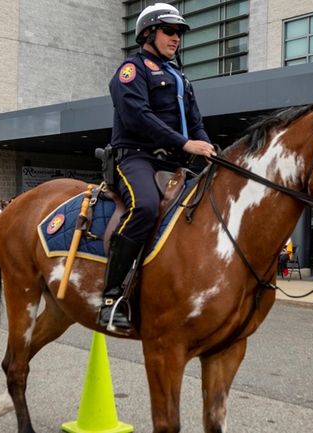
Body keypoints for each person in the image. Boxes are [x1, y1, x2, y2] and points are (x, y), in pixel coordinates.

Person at [100, 3, 216, 334]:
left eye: (179, 33)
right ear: (148, 34)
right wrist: (185, 144)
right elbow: (138, 115)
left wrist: (209, 150)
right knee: (146, 207)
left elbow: (196, 124)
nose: (176, 38)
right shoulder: (131, 70)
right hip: (136, 157)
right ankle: (110, 299)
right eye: (169, 31)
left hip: (174, 162)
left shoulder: (181, 78)